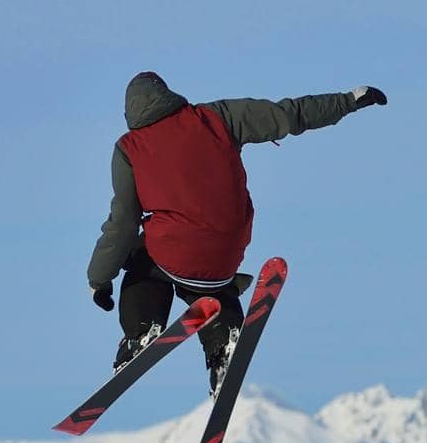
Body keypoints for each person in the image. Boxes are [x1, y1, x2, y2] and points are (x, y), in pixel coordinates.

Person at [87, 72, 387, 394]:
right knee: (211, 281)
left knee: (141, 256)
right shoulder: (217, 117)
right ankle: (224, 342)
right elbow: (289, 113)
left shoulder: (130, 148)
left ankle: (141, 330)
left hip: (175, 253)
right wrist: (347, 101)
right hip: (226, 252)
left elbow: (122, 224)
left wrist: (100, 280)